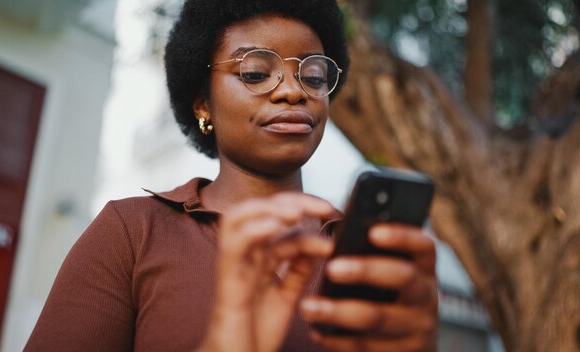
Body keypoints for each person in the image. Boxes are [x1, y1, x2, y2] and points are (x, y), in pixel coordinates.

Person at [25, 0, 438, 351]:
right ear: (203, 103)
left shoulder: (371, 251)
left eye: (313, 76)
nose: (294, 91)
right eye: (256, 73)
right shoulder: (131, 233)